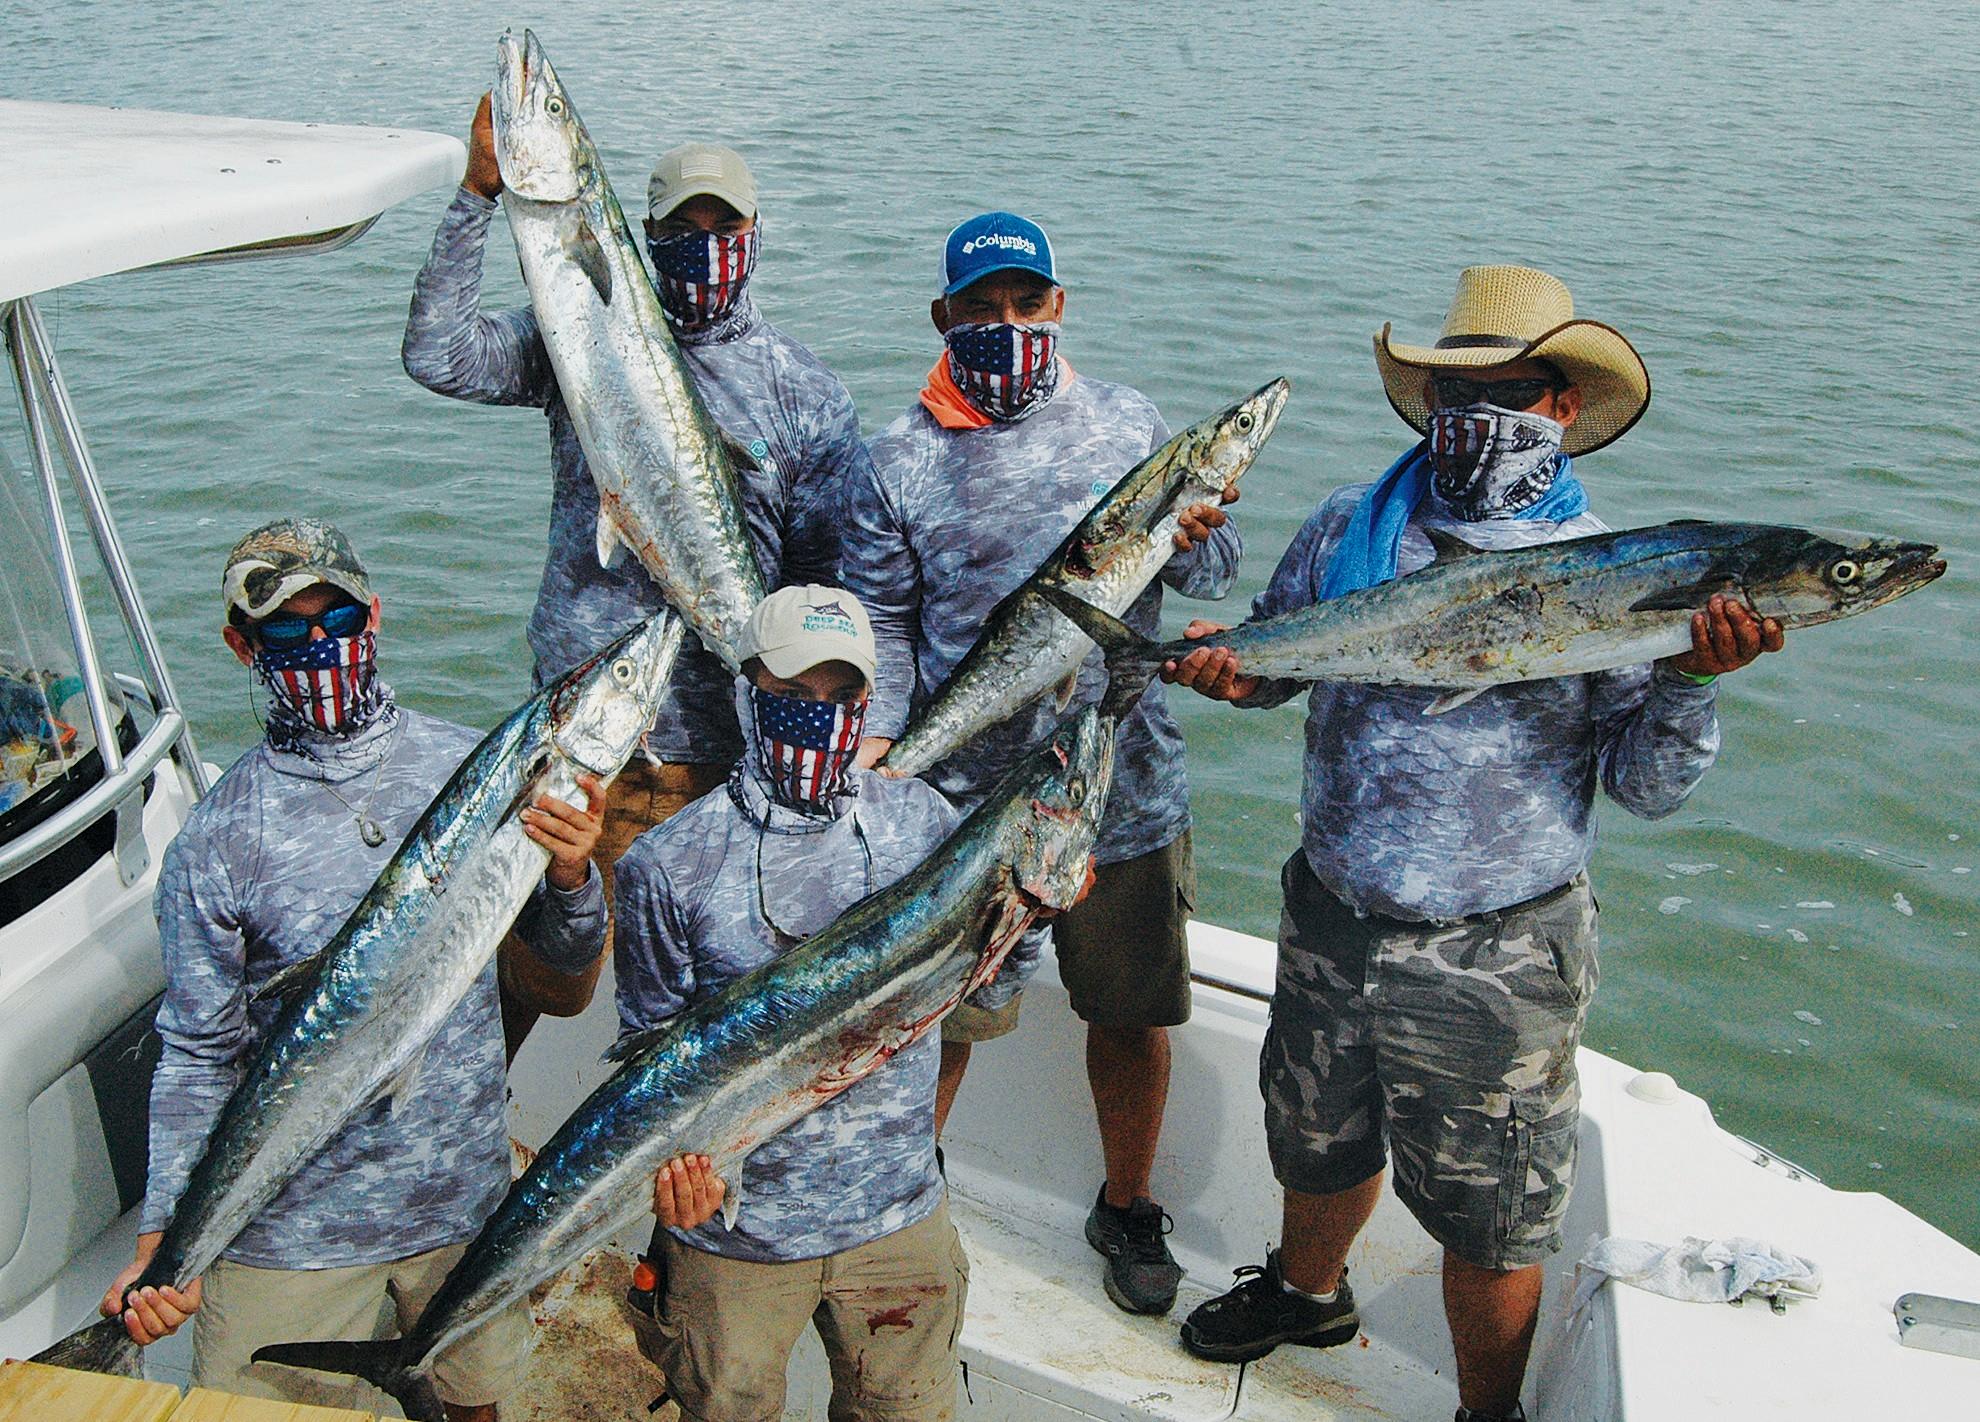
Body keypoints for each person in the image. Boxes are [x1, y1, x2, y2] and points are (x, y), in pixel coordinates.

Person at [1166, 266, 1784, 1422]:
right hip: (1335, 908)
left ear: (1563, 408)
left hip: (1498, 947)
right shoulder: (1353, 525)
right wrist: (1227, 671)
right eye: (1461, 390)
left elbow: (1646, 790)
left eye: (1513, 390)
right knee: (1313, 1139)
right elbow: (1276, 671)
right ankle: (1308, 1293)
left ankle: (1485, 1414)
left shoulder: (1629, 573)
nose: (1480, 414)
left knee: (1492, 1214)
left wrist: (1693, 678)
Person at [101, 518, 611, 1421]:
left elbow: (567, 967)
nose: (319, 648)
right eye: (287, 634)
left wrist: (572, 877)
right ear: (241, 646)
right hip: (289, 1234)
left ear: (373, 617)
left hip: (463, 1205)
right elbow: (197, 1054)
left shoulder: (476, 765)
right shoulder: (215, 843)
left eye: (336, 623)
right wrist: (162, 1234)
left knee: (477, 1406)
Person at [403, 98, 873, 1052]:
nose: (703, 247)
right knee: (526, 980)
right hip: (577, 743)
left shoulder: (805, 392)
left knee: (701, 1012)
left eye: (724, 229)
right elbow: (437, 354)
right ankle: (468, 1143)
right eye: (681, 230)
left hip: (723, 764)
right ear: (645, 236)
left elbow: (822, 589)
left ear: (755, 235)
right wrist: (477, 196)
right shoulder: (575, 334)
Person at [839, 212, 1240, 1317]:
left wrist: (1204, 535)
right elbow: (881, 613)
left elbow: (1211, 580)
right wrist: (884, 736)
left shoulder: (1133, 426)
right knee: (942, 1017)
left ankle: (1128, 1203)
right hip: (970, 804)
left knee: (1129, 1012)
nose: (1006, 323)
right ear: (945, 317)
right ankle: (889, 1205)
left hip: (1128, 783)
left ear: (1059, 305)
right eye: (982, 307)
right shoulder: (900, 453)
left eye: (1026, 302)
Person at [613, 586, 1054, 1422]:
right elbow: (651, 1059)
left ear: (869, 702)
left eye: (841, 699)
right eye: (790, 698)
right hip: (732, 1242)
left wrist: (1030, 919)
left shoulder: (926, 823)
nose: (818, 718)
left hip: (898, 1217)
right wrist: (675, 1189)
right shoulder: (667, 863)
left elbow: (982, 990)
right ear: (745, 691)